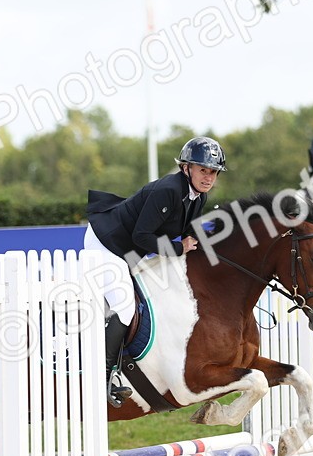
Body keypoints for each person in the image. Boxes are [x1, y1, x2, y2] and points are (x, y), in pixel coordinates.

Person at [84, 135, 225, 406]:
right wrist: (178, 248)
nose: (209, 177)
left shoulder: (198, 197)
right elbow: (142, 237)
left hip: (127, 246)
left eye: (214, 172)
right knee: (124, 306)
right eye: (203, 170)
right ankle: (100, 380)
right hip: (106, 241)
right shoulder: (169, 189)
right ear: (186, 168)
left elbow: (189, 233)